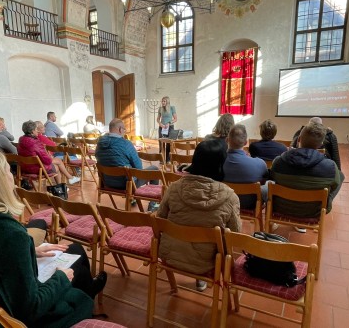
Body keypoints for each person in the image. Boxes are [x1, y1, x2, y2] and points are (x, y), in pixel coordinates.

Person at [0, 148, 96, 327]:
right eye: (9, 171)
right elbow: (29, 311)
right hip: (9, 320)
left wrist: (31, 251)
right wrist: (60, 278)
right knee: (79, 284)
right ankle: (86, 308)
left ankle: (89, 288)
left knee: (74, 250)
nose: (13, 176)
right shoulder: (9, 235)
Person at [157, 140, 241, 292]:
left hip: (170, 255)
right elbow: (235, 234)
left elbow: (160, 218)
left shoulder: (174, 187)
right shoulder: (230, 196)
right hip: (207, 262)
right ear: (221, 163)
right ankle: (201, 280)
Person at [271, 122, 344, 231]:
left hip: (280, 207)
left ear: (299, 139)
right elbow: (335, 185)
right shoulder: (330, 167)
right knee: (340, 176)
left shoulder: (278, 162)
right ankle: (324, 200)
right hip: (314, 211)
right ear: (320, 144)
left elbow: (272, 178)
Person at [95, 118, 159, 211]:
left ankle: (132, 198)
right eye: (124, 129)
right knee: (154, 169)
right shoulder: (126, 144)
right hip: (125, 184)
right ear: (120, 129)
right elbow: (139, 169)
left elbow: (98, 158)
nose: (124, 132)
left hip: (106, 182)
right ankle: (153, 205)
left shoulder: (99, 143)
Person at [18, 120, 79, 185]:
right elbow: (47, 161)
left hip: (24, 168)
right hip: (37, 169)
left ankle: (69, 180)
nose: (37, 131)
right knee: (57, 165)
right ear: (32, 131)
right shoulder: (36, 143)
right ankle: (62, 185)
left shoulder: (21, 141)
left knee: (57, 162)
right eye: (36, 129)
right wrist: (48, 155)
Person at [223, 124, 269, 208]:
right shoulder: (259, 163)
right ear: (245, 142)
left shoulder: (217, 161)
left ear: (227, 140)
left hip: (225, 202)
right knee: (270, 184)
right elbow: (264, 181)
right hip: (251, 204)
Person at [157, 96, 177, 162]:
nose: (162, 102)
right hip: (162, 127)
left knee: (169, 143)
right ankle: (161, 159)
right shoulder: (160, 108)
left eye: (164, 101)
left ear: (167, 102)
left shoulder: (172, 108)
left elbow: (175, 119)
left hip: (170, 127)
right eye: (162, 101)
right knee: (161, 142)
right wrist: (160, 124)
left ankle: (167, 159)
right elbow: (158, 119)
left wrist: (169, 123)